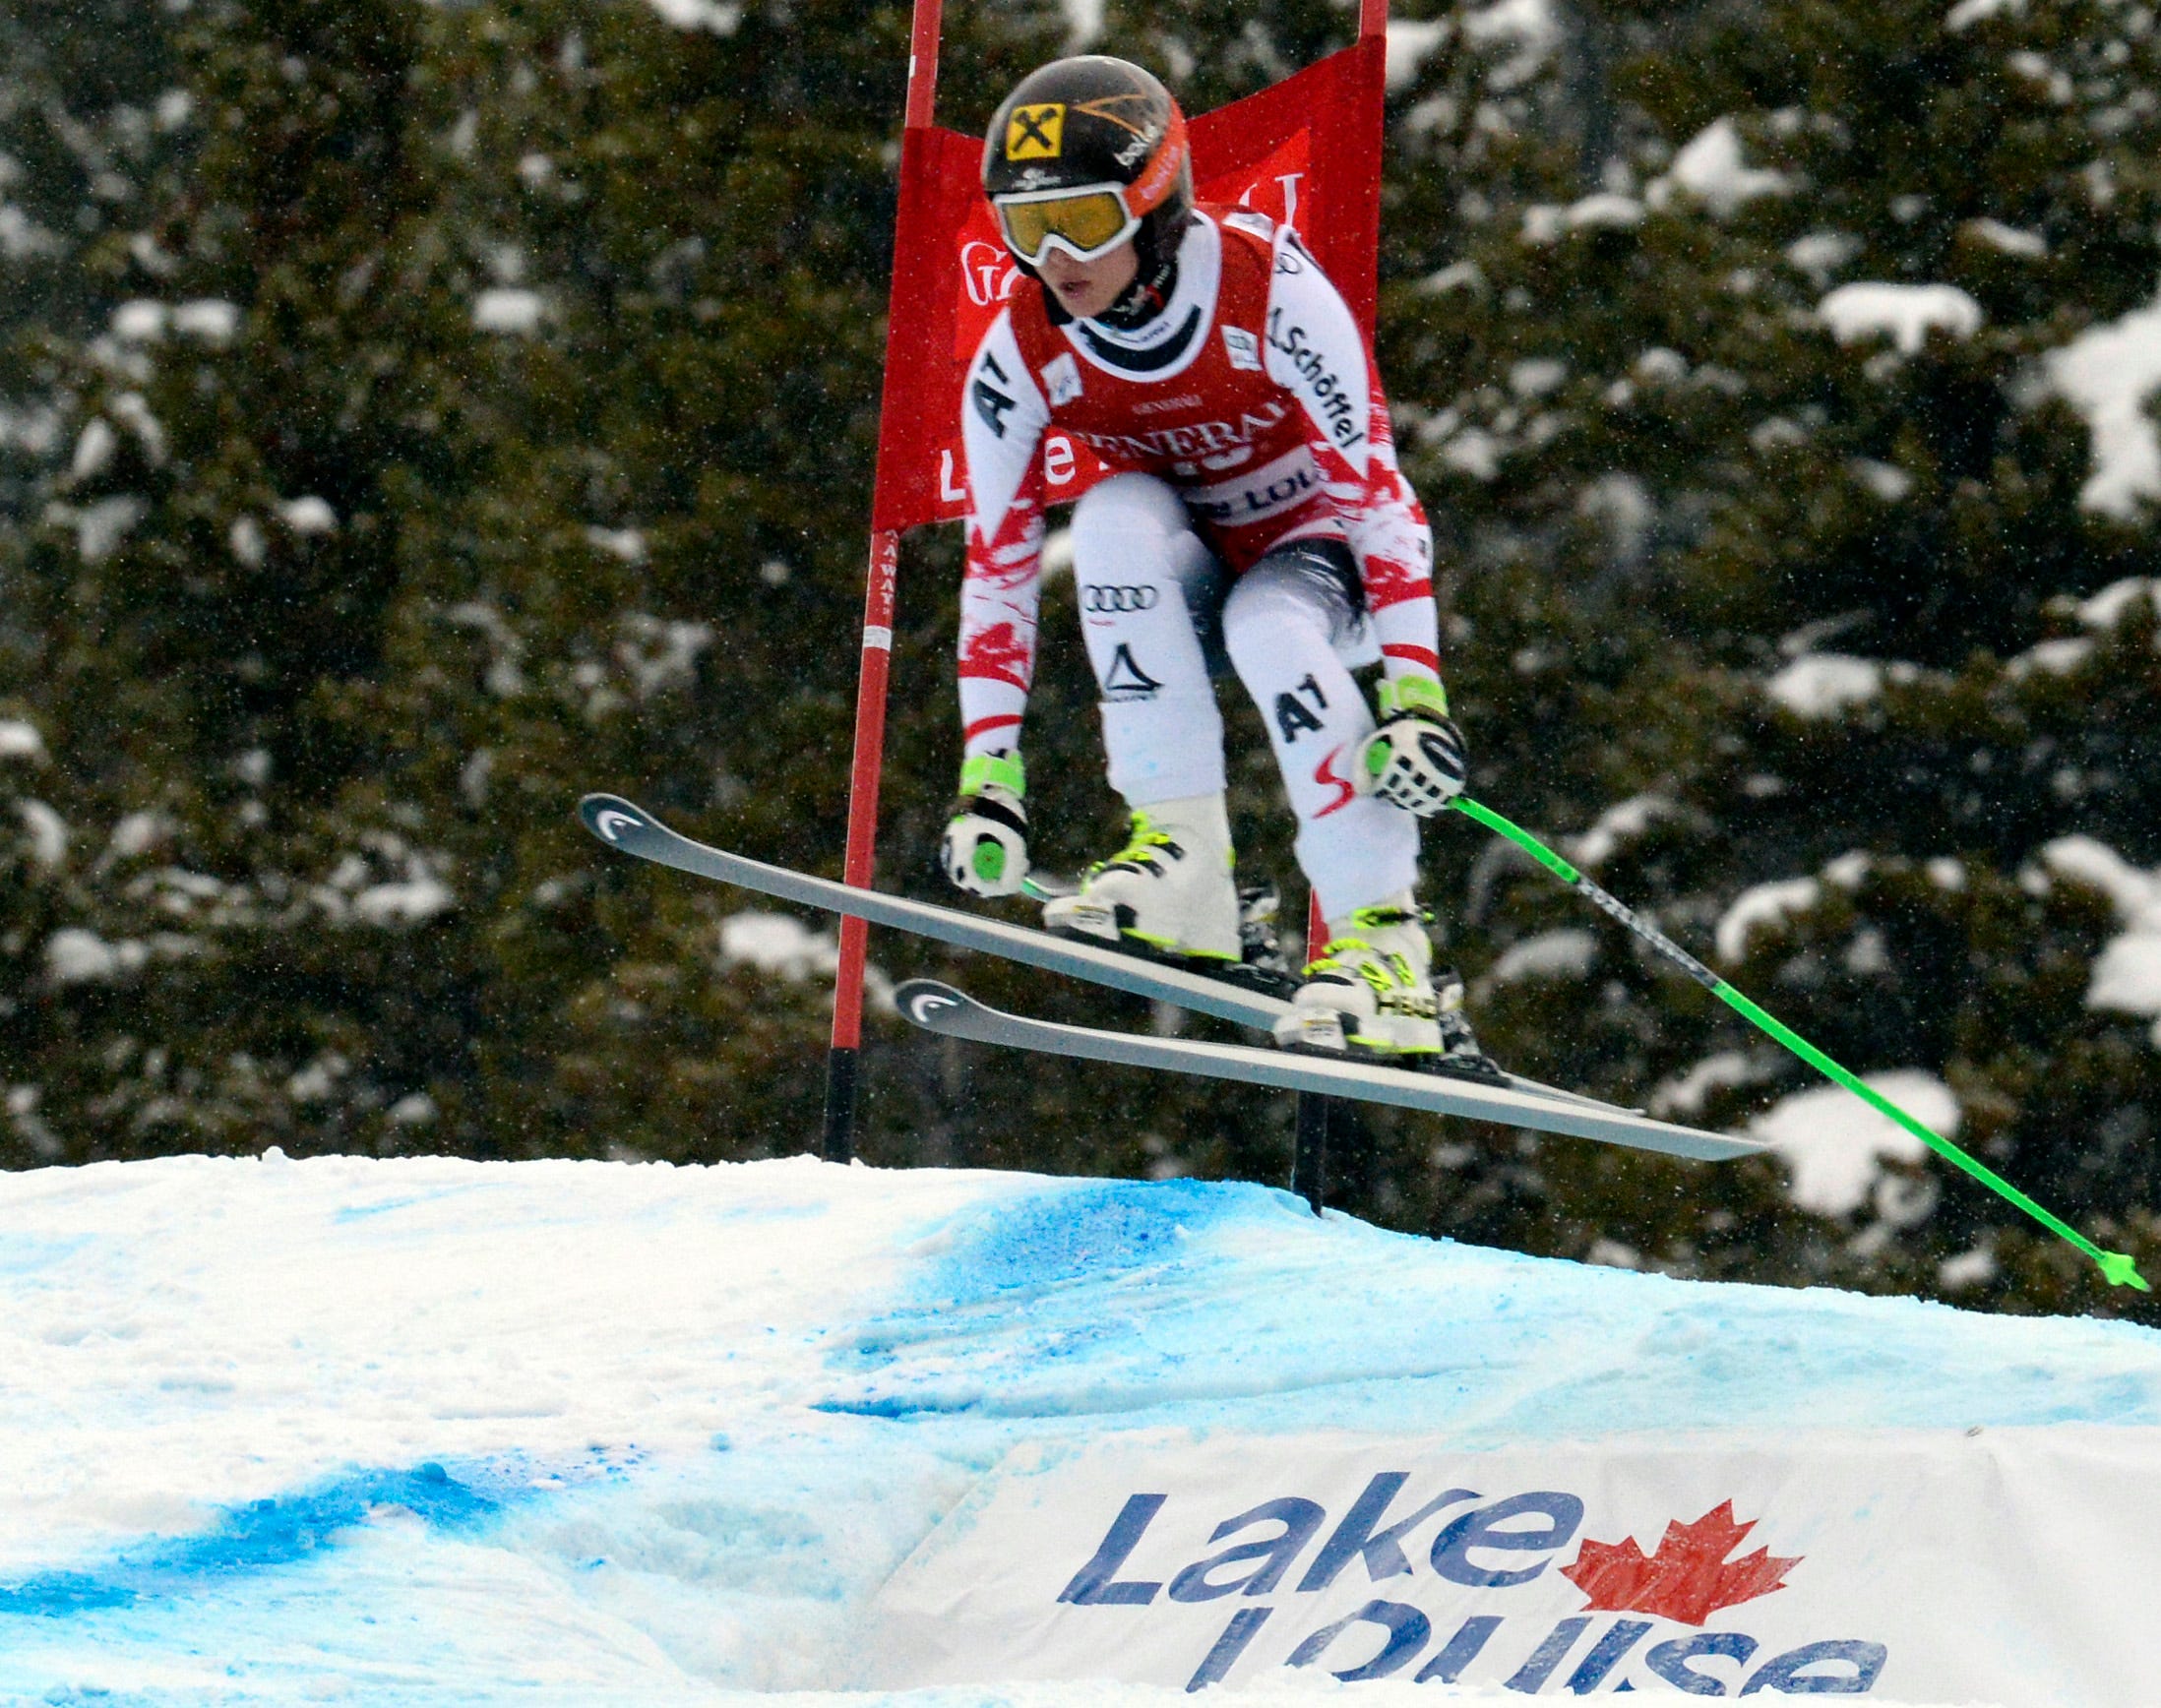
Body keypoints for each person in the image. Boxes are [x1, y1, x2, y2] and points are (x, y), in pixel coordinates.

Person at [938, 54, 1491, 1075]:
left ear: (1154, 204)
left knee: (1269, 628)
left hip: (1321, 553)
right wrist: (990, 771)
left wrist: (1416, 693)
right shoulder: (1020, 349)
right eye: (1025, 228)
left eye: (1086, 221)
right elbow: (1000, 560)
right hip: (1194, 554)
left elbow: (1379, 494)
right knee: (1106, 516)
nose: (1058, 258)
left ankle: (1384, 946)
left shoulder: (1264, 284)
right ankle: (1185, 859)